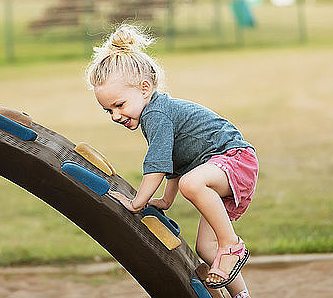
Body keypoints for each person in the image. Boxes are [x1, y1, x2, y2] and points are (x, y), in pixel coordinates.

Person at [86, 24, 259, 298]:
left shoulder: (156, 115)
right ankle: (242, 295)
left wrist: (137, 202)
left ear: (145, 89)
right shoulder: (153, 115)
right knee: (206, 249)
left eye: (119, 105)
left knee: (193, 185)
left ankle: (232, 245)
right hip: (217, 169)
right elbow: (176, 162)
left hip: (235, 159)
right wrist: (166, 201)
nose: (115, 115)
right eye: (108, 110)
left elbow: (157, 165)